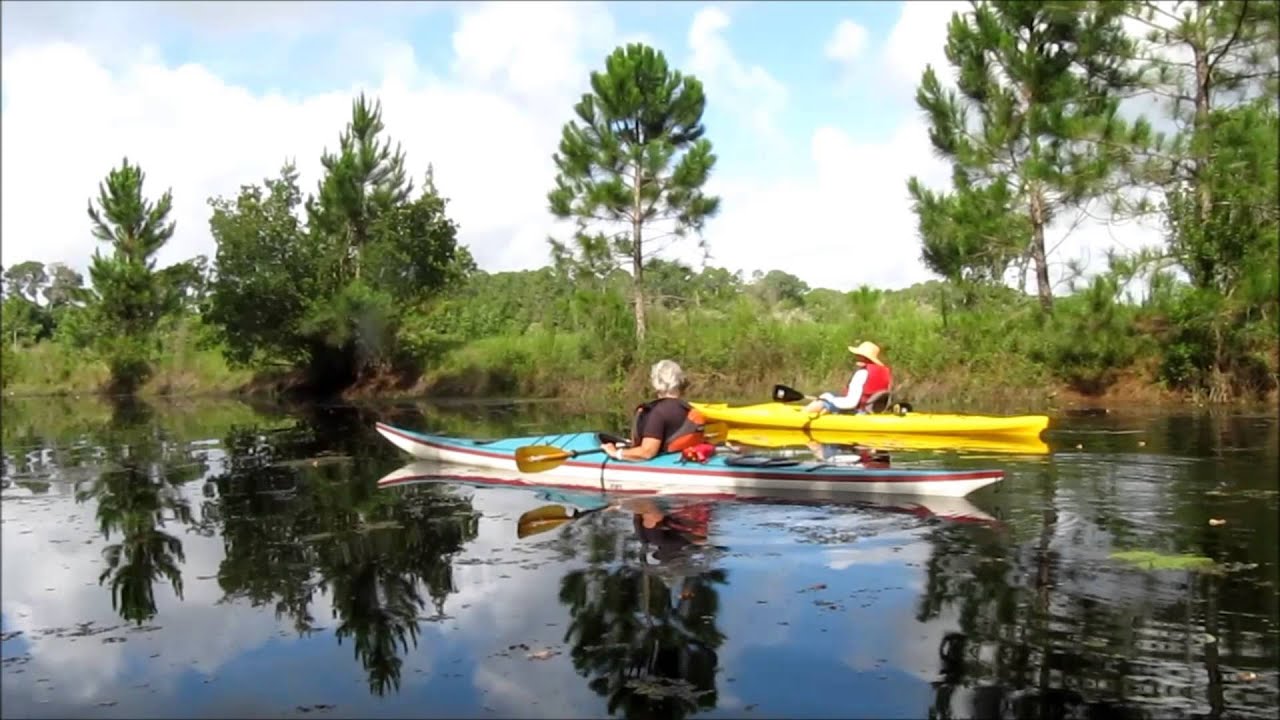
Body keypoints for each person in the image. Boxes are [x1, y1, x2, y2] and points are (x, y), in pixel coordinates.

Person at [602, 359, 706, 461]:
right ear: (680, 381)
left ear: (655, 382)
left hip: (662, 468)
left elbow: (647, 452)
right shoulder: (688, 409)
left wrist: (616, 453)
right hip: (679, 460)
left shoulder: (657, 413)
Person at [803, 340, 893, 416]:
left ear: (865, 358)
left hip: (860, 412)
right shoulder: (885, 373)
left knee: (824, 401)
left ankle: (802, 416)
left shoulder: (862, 373)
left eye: (859, 355)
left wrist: (827, 400)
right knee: (831, 395)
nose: (856, 357)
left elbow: (851, 403)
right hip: (872, 411)